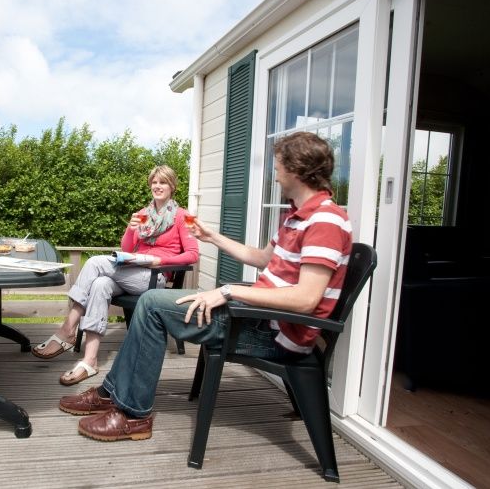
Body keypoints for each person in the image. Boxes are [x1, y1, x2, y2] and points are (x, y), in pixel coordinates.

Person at [57, 131, 353, 441]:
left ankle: (132, 413)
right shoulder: (296, 218)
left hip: (269, 332)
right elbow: (261, 257)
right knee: (151, 303)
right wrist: (213, 237)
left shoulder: (326, 221)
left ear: (296, 168)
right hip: (255, 316)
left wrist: (228, 291)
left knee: (151, 304)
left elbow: (306, 299)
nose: (275, 175)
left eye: (278, 166)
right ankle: (112, 393)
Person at [32, 165, 199, 386]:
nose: (157, 186)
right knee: (100, 284)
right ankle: (90, 360)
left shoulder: (184, 216)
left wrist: (161, 261)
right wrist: (131, 230)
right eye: (154, 182)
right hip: (132, 271)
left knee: (93, 262)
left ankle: (67, 330)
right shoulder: (143, 213)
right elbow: (127, 247)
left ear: (172, 186)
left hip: (154, 278)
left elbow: (193, 254)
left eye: (163, 182)